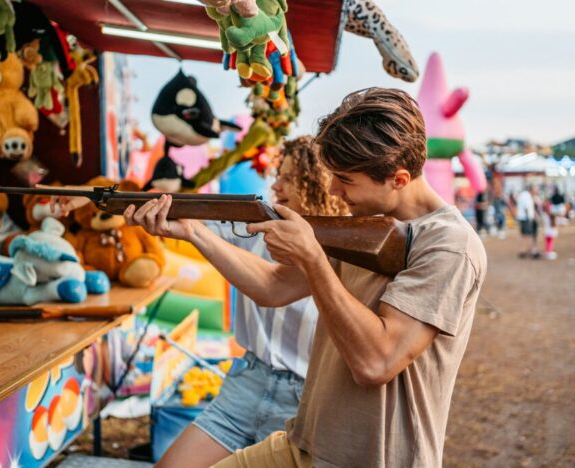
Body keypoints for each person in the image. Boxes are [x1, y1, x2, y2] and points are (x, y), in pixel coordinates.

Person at [125, 87, 487, 467]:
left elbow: (376, 363)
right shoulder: (367, 226)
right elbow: (272, 286)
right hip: (305, 444)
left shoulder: (450, 246)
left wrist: (313, 259)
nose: (333, 189)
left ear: (398, 178)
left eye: (345, 179)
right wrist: (193, 232)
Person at [155, 136, 348, 467]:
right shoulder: (252, 228)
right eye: (278, 175)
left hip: (305, 399)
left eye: (289, 177)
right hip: (247, 381)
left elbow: (272, 286)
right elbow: (195, 222)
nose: (277, 185)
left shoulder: (345, 246)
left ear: (317, 182)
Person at [516, 185, 541, 259]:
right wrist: (531, 218)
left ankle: (524, 251)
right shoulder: (526, 196)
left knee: (524, 235)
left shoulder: (525, 195)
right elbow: (527, 208)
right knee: (528, 235)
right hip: (526, 218)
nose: (536, 192)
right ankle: (531, 251)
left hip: (524, 218)